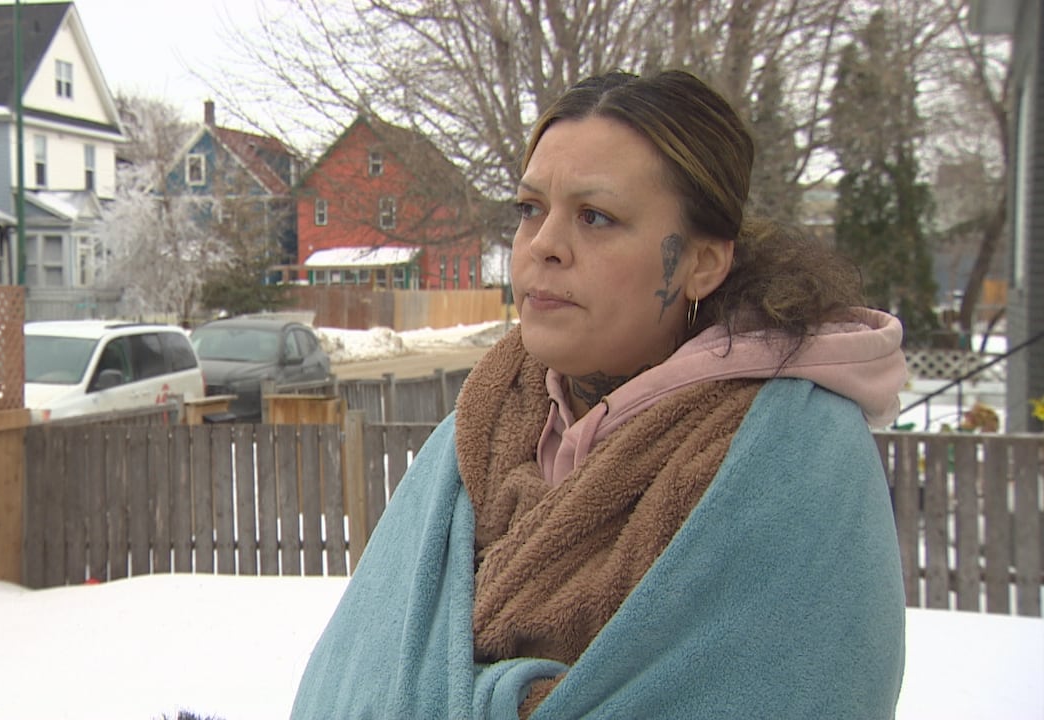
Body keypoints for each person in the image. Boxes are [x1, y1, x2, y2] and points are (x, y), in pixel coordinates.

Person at [291, 69, 907, 719]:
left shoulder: (797, 459)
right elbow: (358, 676)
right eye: (531, 209)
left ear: (702, 263)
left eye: (596, 217)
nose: (544, 246)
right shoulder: (475, 432)